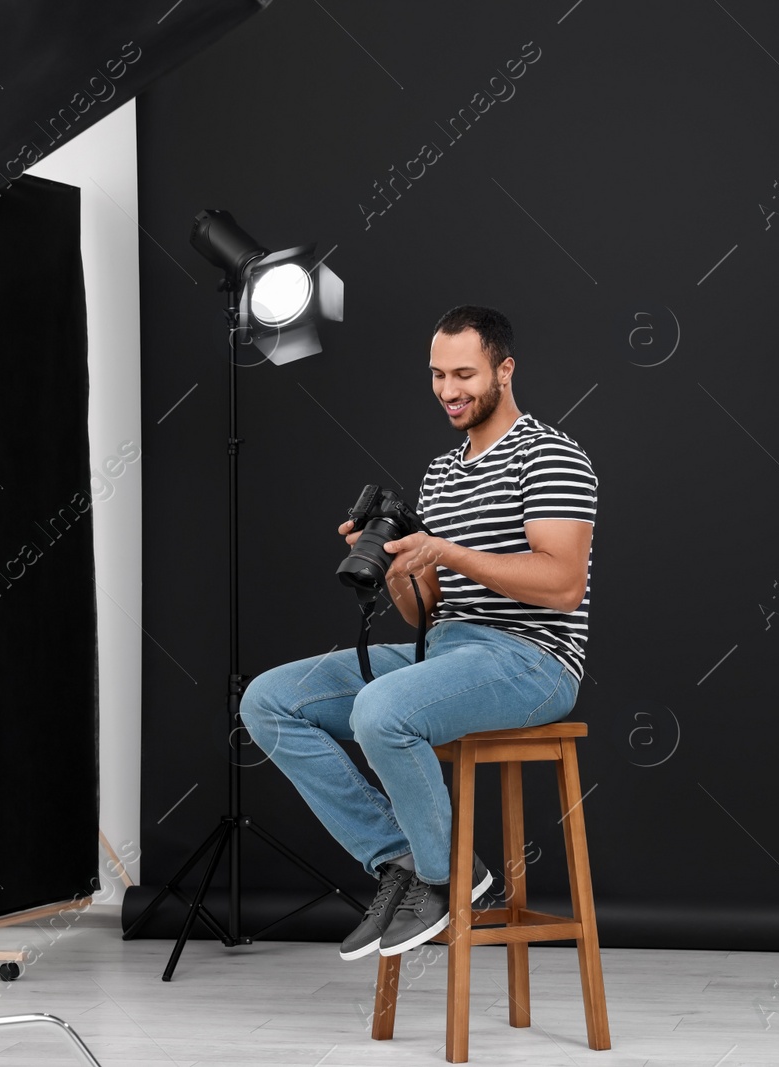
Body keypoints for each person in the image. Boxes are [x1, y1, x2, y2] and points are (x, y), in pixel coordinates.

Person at [239, 305, 599, 959]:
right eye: (437, 375)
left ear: (505, 368)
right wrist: (398, 560)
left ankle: (450, 876)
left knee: (382, 709)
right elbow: (423, 614)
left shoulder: (551, 453)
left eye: (464, 373)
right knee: (269, 699)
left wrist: (448, 550)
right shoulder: (441, 471)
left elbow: (562, 582)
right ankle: (402, 856)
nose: (449, 390)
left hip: (533, 660)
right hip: (447, 649)